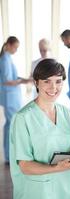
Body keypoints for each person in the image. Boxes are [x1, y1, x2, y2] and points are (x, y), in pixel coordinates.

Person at [10, 58, 70, 199]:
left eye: (58, 81)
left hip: (65, 187)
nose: (54, 88)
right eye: (47, 81)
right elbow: (25, 166)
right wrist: (56, 168)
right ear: (36, 82)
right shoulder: (23, 118)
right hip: (37, 191)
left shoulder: (65, 112)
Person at [0, 36, 30, 164]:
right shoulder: (4, 59)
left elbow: (13, 77)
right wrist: (22, 81)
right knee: (11, 126)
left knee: (10, 125)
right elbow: (7, 81)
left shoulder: (7, 58)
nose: (16, 50)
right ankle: (9, 156)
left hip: (12, 97)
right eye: (16, 47)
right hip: (10, 97)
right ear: (9, 45)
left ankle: (9, 155)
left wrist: (24, 80)